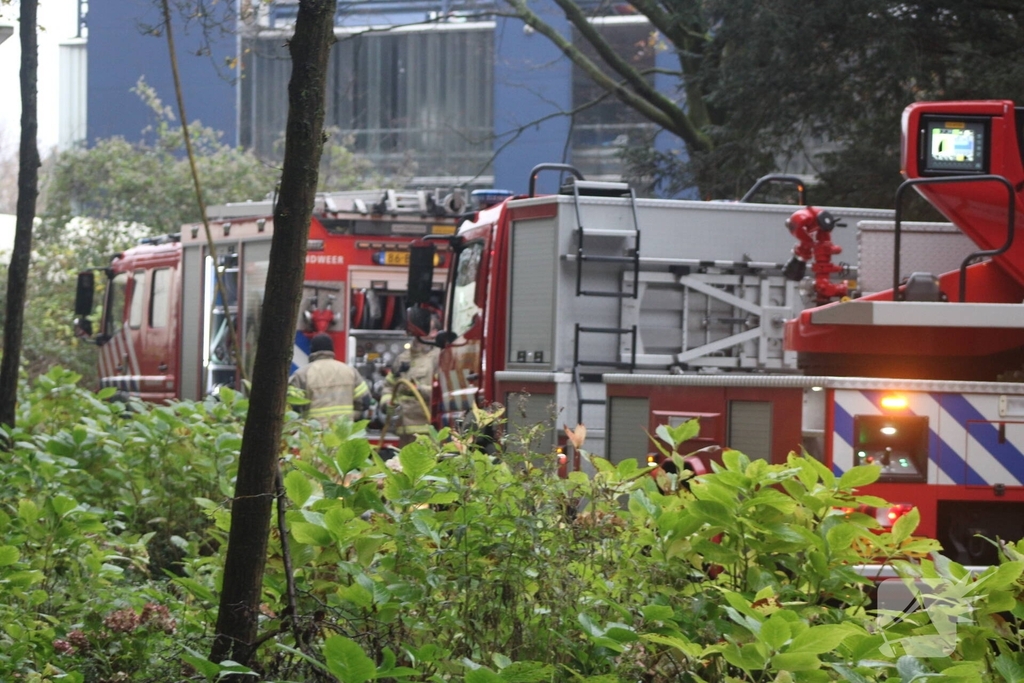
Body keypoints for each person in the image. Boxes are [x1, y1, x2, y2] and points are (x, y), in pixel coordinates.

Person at [380, 314, 440, 447]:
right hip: (403, 430)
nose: (418, 333)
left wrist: (418, 389)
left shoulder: (439, 358)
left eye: (424, 328)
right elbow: (389, 386)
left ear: (435, 333)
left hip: (427, 431)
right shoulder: (403, 358)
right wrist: (387, 403)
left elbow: (442, 393)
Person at [289, 333, 371, 423]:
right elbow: (365, 401)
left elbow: (292, 405)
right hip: (343, 433)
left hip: (314, 433)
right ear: (332, 349)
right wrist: (352, 416)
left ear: (312, 350)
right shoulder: (350, 371)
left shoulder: (302, 375)